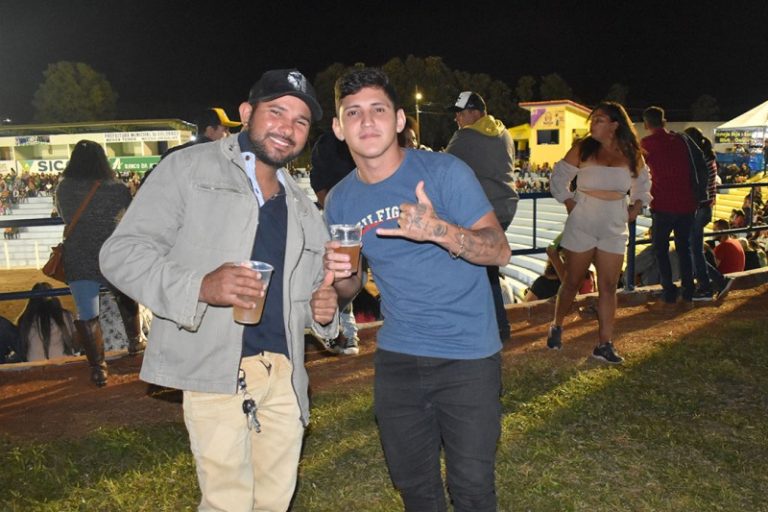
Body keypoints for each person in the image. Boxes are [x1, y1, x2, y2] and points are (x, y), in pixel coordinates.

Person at [100, 68, 339, 512]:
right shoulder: (189, 169)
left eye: (301, 120)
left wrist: (323, 311)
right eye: (277, 112)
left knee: (274, 501)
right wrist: (201, 286)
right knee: (227, 502)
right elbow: (121, 254)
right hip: (216, 370)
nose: (287, 127)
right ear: (246, 113)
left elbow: (306, 299)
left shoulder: (302, 206)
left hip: (285, 374)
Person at [324, 67, 511, 511]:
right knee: (414, 488)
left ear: (399, 120)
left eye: (378, 110)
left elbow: (499, 249)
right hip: (399, 357)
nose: (367, 121)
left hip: (467, 355)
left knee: (471, 488)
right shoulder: (340, 200)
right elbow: (352, 282)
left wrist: (441, 231)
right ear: (338, 127)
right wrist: (334, 289)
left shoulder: (444, 172)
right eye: (353, 112)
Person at [548, 101, 651, 364]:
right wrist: (568, 201)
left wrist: (637, 205)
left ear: (615, 125)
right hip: (583, 220)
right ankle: (557, 324)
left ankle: (604, 344)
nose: (592, 124)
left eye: (599, 119)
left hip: (614, 222)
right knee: (572, 281)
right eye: (592, 119)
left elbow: (642, 185)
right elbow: (558, 177)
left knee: (608, 286)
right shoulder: (583, 148)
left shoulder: (631, 153)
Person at [54, 140, 146, 387]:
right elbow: (129, 215)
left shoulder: (64, 188)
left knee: (87, 313)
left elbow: (64, 215)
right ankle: (135, 342)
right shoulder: (117, 188)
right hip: (112, 253)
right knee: (126, 295)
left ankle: (98, 368)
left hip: (79, 253)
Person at [445, 90, 519, 340]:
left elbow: (442, 167)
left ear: (475, 113)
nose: (456, 118)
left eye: (460, 113)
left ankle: (492, 327)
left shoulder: (465, 137)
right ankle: (499, 326)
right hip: (505, 208)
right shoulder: (503, 132)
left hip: (482, 212)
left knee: (475, 269)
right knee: (487, 268)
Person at [641, 106, 700, 303]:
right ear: (664, 121)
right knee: (684, 248)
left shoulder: (646, 144)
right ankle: (688, 288)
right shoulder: (681, 140)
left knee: (660, 249)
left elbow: (638, 171)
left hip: (663, 204)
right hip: (687, 204)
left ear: (646, 124)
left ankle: (669, 290)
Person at [308, 131, 360, 355]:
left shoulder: (362, 137)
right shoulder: (328, 142)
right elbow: (319, 180)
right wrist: (333, 211)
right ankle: (344, 331)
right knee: (341, 274)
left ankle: (343, 330)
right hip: (342, 223)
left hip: (366, 216)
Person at [683, 127, 734, 300]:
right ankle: (716, 282)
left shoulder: (699, 159)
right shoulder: (708, 157)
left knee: (695, 251)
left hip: (700, 209)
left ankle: (708, 286)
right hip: (705, 209)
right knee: (695, 250)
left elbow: (696, 185)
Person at [16, 282, 78, 362]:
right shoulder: (65, 315)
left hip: (34, 365)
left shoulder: (25, 319)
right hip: (63, 363)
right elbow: (76, 344)